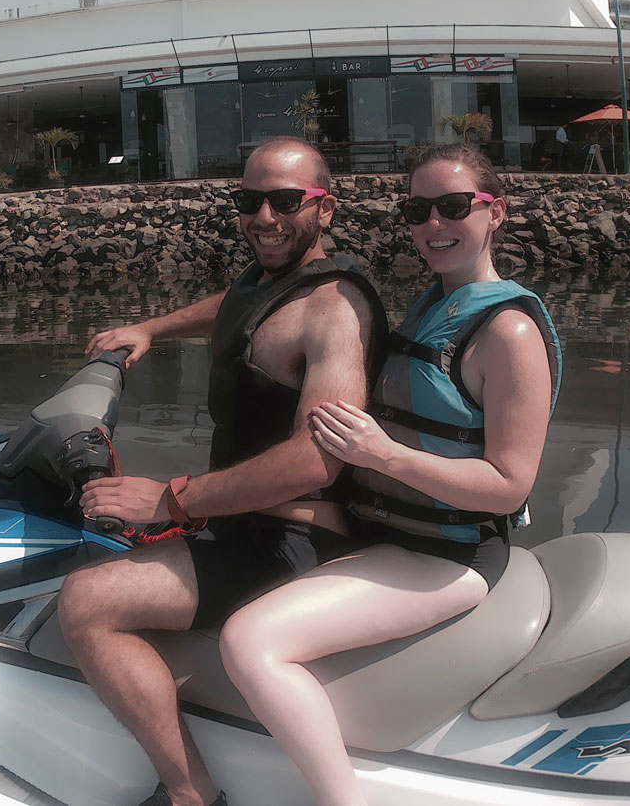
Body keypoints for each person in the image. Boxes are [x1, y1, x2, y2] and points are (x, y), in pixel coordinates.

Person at [216, 143, 561, 806]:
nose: (433, 222)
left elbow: (510, 484)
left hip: (444, 554)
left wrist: (384, 455)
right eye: (416, 209)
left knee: (251, 642)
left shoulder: (508, 332)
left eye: (453, 206)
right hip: (386, 533)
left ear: (496, 213)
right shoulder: (438, 301)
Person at [60, 136, 386, 806]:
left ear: (325, 209)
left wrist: (172, 499)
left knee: (86, 605)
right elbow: (232, 309)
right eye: (249, 200)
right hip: (244, 521)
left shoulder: (334, 309)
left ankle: (189, 792)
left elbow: (315, 458)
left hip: (293, 539)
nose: (264, 217)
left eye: (285, 201)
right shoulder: (269, 280)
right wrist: (150, 327)